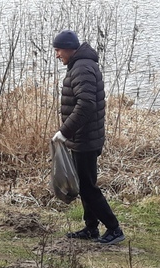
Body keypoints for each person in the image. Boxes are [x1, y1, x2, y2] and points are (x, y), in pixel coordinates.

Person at [52, 29, 124, 245]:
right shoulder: (80, 65)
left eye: (59, 50)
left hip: (85, 139)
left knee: (87, 187)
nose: (57, 55)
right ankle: (91, 227)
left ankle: (114, 229)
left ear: (69, 49)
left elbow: (86, 105)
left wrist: (64, 132)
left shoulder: (82, 68)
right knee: (84, 184)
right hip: (83, 137)